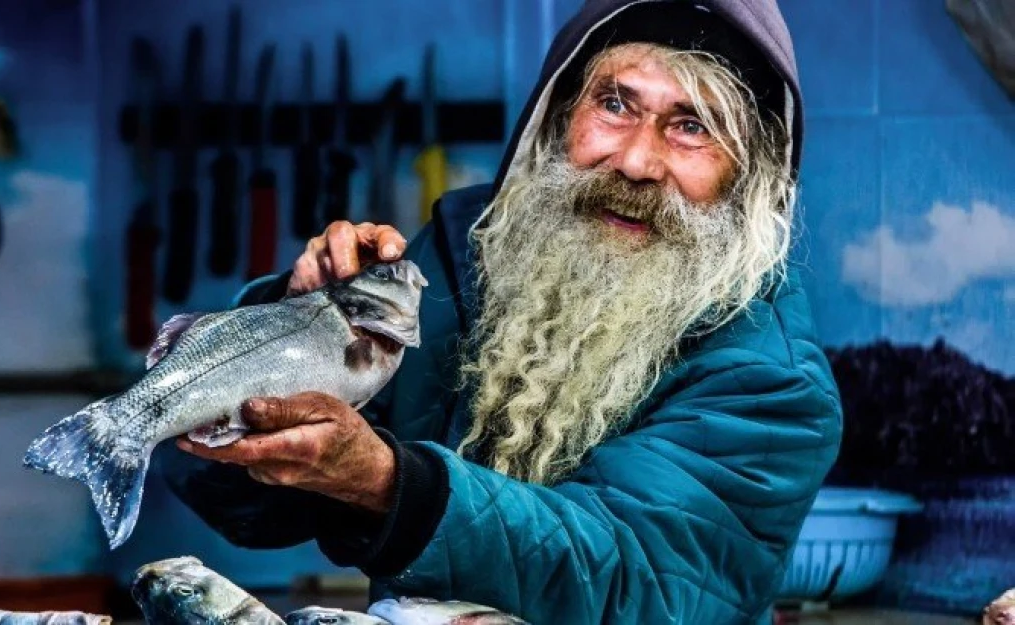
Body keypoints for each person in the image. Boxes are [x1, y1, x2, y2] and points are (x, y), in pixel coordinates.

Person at [156, 1, 843, 623]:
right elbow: (239, 500)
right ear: (559, 113)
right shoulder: (465, 259)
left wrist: (397, 485)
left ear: (748, 172)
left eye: (691, 126)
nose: (636, 160)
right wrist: (293, 330)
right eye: (615, 103)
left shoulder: (772, 380)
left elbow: (630, 582)